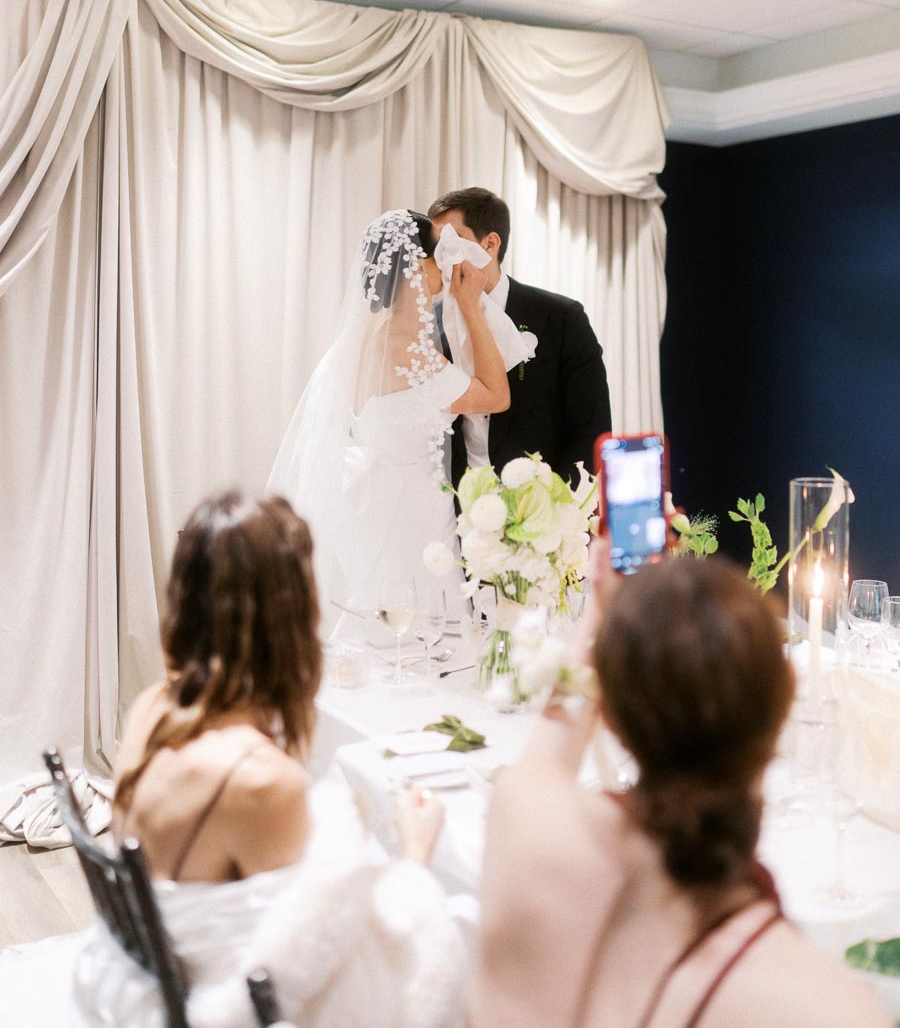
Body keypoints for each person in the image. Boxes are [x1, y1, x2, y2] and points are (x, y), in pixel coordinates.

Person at [0, 492, 465, 1027]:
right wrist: (415, 858)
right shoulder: (262, 781)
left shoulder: (154, 707)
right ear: (288, 619)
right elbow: (307, 965)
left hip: (141, 976)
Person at [471, 545, 891, 1028]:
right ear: (785, 699)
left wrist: (603, 615)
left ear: (608, 712)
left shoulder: (524, 820)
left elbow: (550, 746)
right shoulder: (827, 1007)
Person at [268, 208, 519, 629]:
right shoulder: (411, 350)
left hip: (375, 513)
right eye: (439, 251)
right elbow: (496, 396)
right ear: (419, 268)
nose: (447, 260)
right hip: (412, 522)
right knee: (420, 635)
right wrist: (471, 308)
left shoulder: (365, 337)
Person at [428, 187, 612, 489]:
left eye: (452, 241)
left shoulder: (561, 318)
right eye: (438, 245)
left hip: (541, 510)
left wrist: (560, 510)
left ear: (490, 244)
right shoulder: (430, 323)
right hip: (455, 512)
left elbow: (590, 430)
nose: (442, 256)